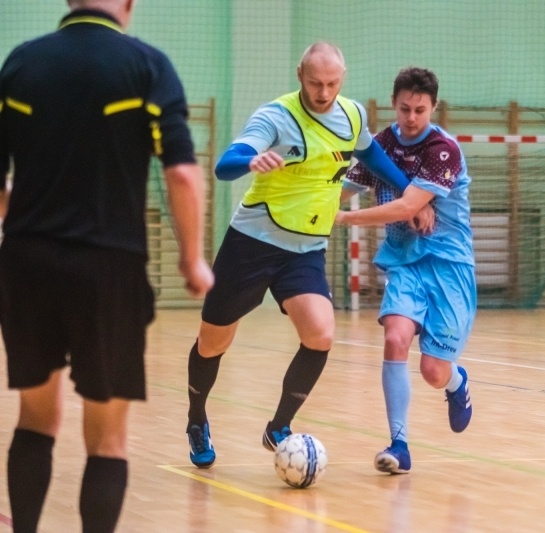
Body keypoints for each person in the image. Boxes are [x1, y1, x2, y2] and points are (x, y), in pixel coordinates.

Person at [0, 0, 214, 531]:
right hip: (109, 268)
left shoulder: (22, 64)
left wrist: (24, 216)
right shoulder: (147, 67)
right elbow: (184, 176)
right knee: (107, 436)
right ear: (128, 4)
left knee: (36, 417)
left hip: (27, 263)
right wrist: (192, 261)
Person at [185, 42, 426, 468]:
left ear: (343, 78)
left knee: (320, 334)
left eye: (332, 82)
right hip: (253, 243)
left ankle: (278, 426)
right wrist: (252, 159)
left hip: (306, 248)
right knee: (212, 343)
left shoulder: (352, 115)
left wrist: (411, 190)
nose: (323, 91)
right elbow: (226, 164)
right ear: (300, 75)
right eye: (315, 82)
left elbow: (371, 154)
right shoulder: (276, 116)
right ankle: (196, 418)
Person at [336, 66, 476, 474]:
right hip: (404, 263)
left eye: (420, 109)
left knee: (433, 370)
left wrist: (342, 219)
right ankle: (399, 445)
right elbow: (348, 185)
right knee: (395, 338)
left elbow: (405, 207)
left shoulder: (443, 149)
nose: (411, 118)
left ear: (433, 107)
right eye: (404, 109)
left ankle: (456, 383)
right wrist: (311, 194)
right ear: (394, 104)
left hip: (449, 267)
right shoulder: (382, 142)